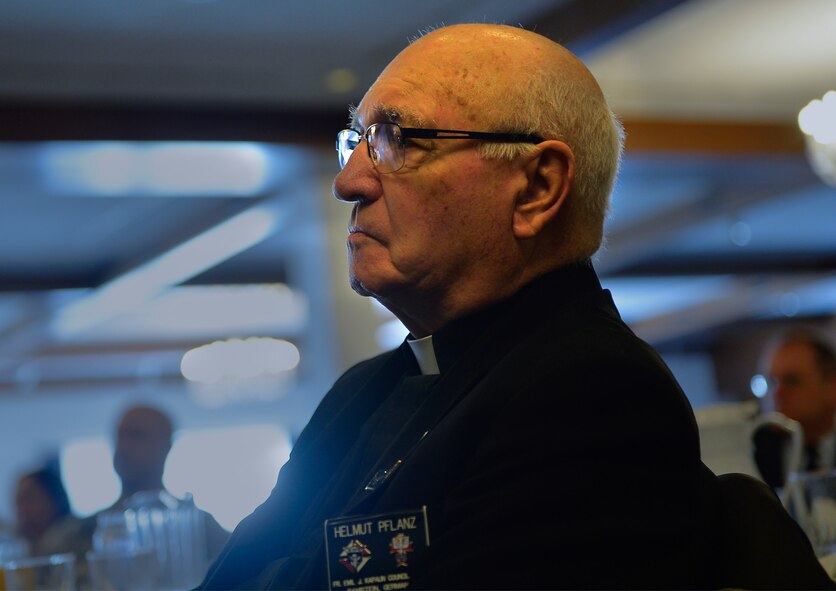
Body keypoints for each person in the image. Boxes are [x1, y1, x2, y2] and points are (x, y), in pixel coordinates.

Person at [196, 24, 830, 590]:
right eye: (358, 140)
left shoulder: (595, 396)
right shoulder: (361, 390)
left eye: (396, 139)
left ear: (536, 187)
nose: (349, 181)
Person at [97, 404, 230, 562]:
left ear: (166, 445)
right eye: (120, 435)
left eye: (137, 435)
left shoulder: (199, 528)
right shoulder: (84, 532)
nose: (124, 446)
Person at [753, 327, 836, 489]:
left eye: (791, 381)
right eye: (772, 383)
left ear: (832, 387)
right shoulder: (756, 452)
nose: (777, 394)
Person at [13, 467, 80, 557]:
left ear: (55, 498)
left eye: (30, 499)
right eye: (19, 501)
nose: (22, 508)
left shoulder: (74, 535)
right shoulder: (23, 544)